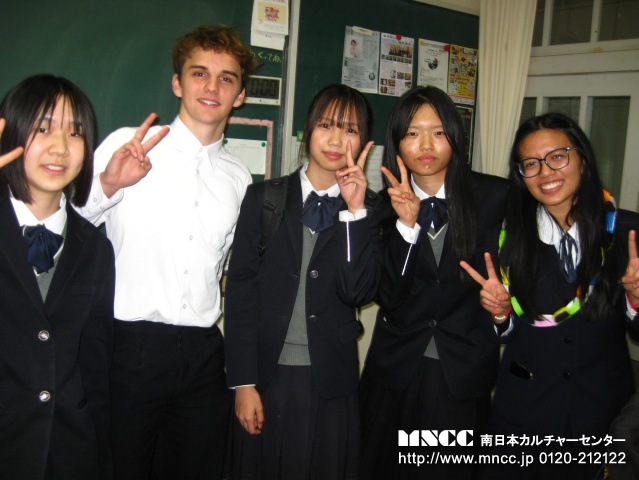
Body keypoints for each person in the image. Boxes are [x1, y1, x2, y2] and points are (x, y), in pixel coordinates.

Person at [78, 25, 260, 480]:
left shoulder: (240, 178)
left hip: (203, 355)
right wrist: (108, 185)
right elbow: (68, 226)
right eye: (199, 73)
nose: (212, 87)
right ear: (178, 83)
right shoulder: (128, 146)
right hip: (128, 348)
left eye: (226, 78)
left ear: (240, 95)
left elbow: (232, 271)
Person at [224, 83, 392, 480]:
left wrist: (354, 213)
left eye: (350, 129)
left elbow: (359, 291)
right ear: (308, 129)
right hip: (265, 375)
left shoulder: (372, 210)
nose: (336, 140)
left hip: (330, 379)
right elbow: (241, 295)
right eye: (326, 125)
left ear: (364, 141)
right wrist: (242, 383)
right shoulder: (263, 199)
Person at [461, 112, 639, 479]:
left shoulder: (626, 234)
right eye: (531, 163)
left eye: (558, 156)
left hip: (600, 412)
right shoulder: (506, 240)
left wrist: (636, 300)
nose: (545, 172)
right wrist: (499, 315)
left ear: (583, 160)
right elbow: (504, 332)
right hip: (524, 413)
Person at [359, 85, 508, 479]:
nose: (426, 145)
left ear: (455, 137)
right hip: (396, 371)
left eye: (438, 132)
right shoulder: (379, 208)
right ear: (397, 143)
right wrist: (406, 227)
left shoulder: (495, 197)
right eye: (412, 133)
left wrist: (503, 312)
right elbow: (387, 295)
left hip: (461, 372)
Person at [0, 74, 116, 479]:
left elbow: (96, 365)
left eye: (75, 132)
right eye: (42, 128)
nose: (60, 147)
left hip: (70, 451)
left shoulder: (95, 248)